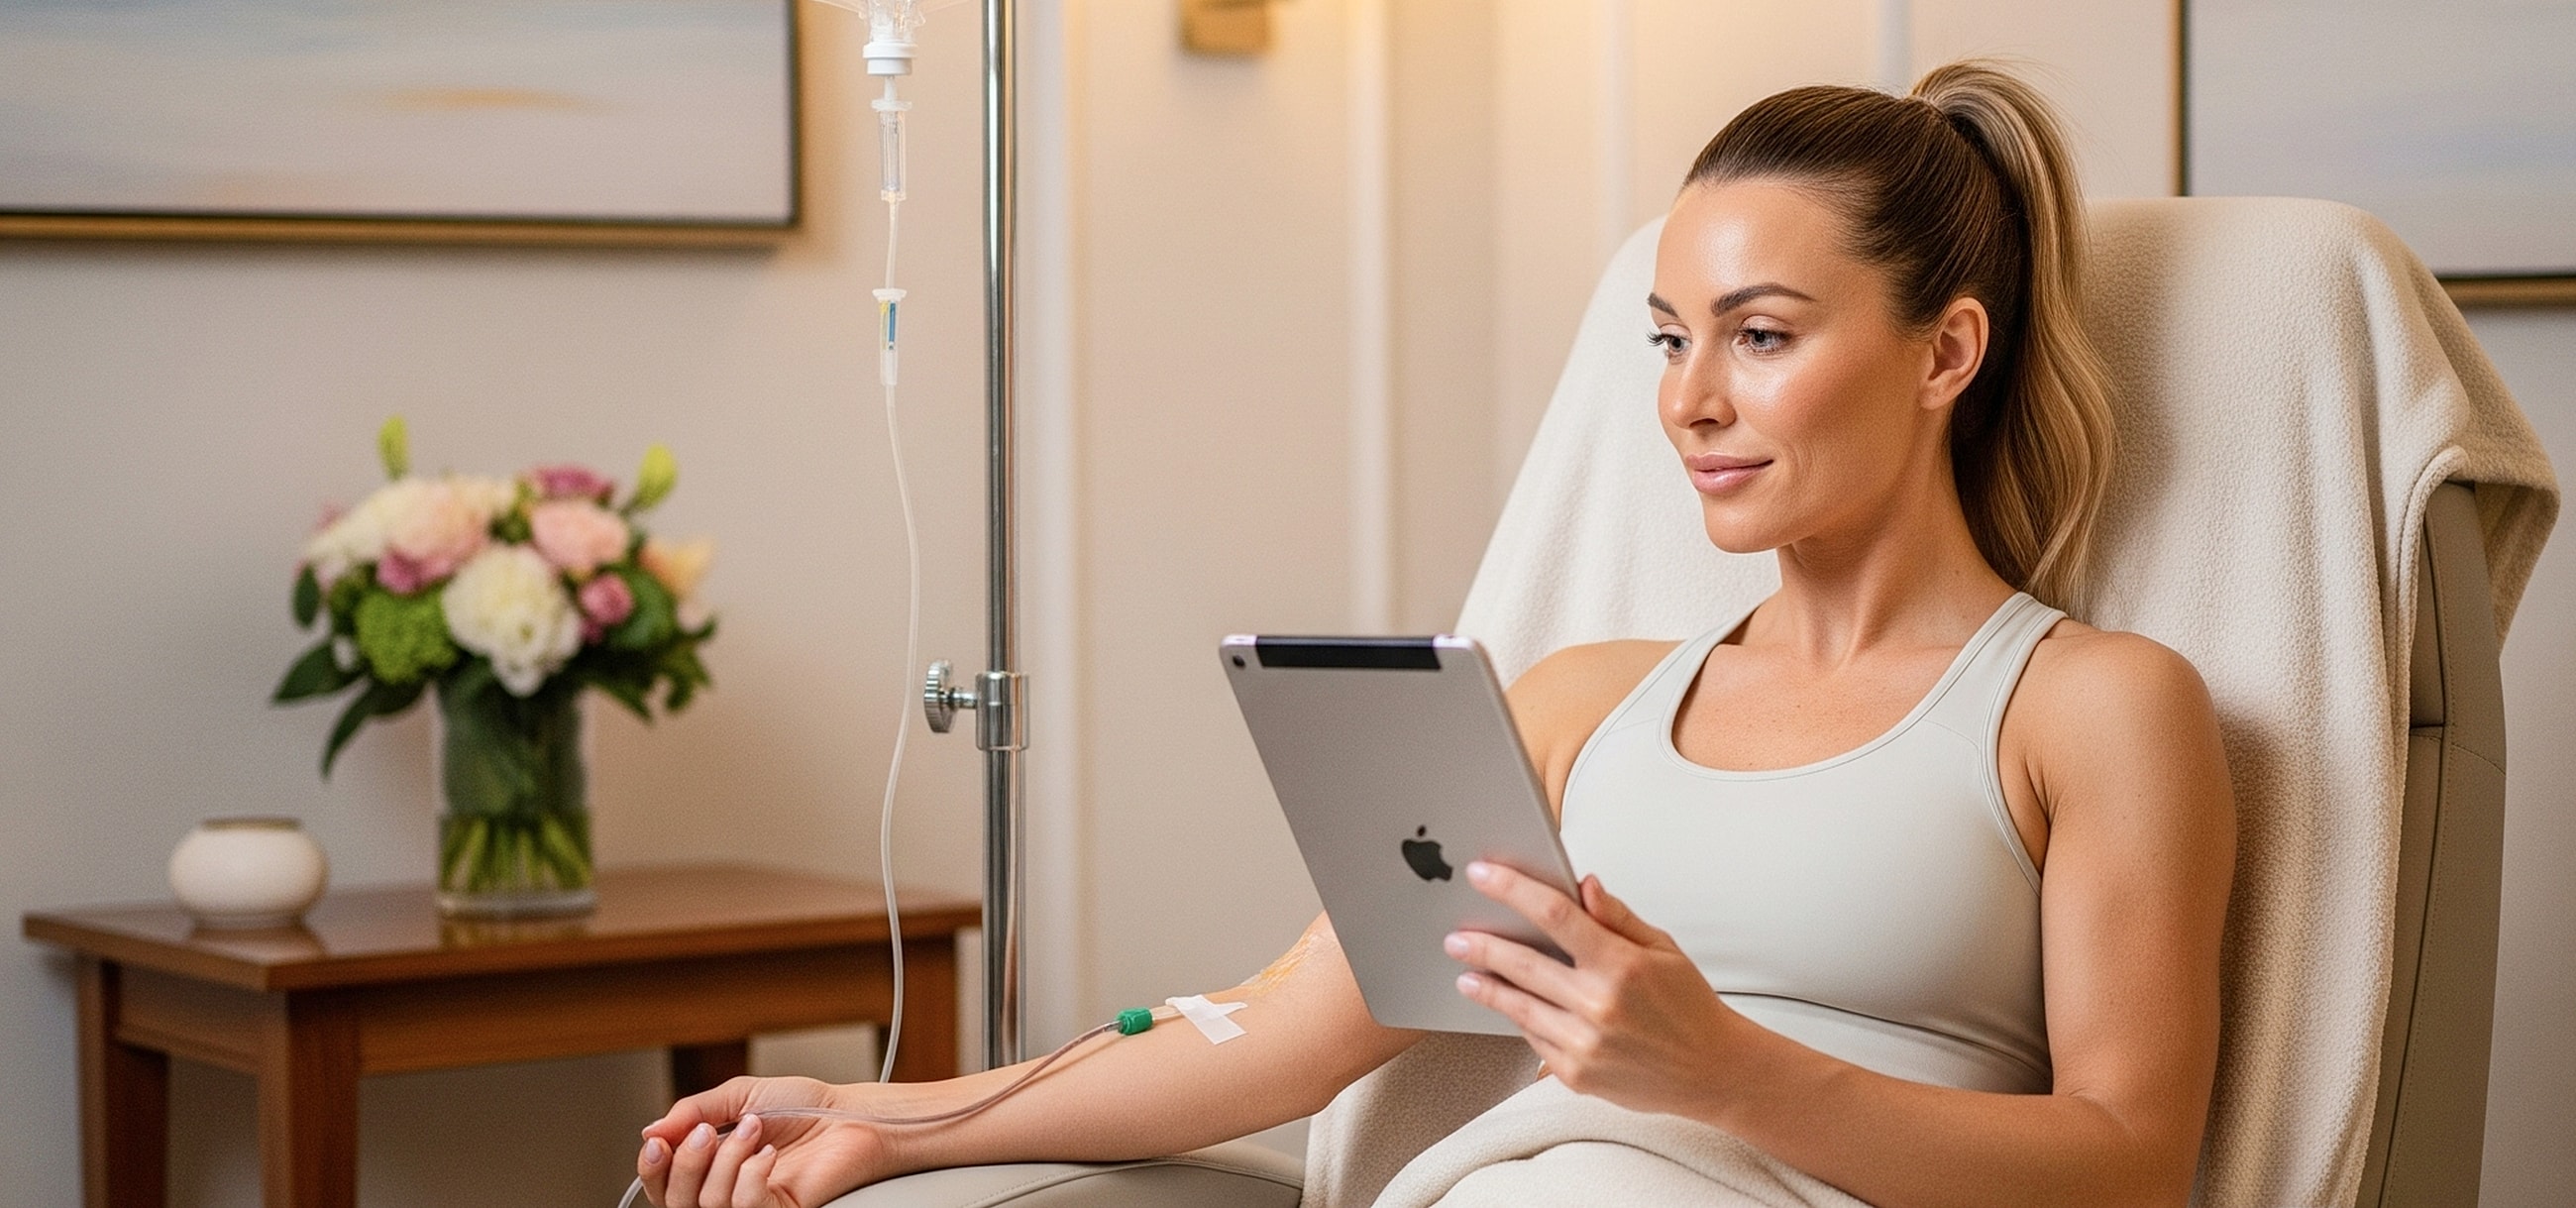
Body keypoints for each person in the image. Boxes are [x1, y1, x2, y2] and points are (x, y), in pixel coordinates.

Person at [635, 59, 2235, 1208]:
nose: (1689, 400)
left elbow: (2130, 1160)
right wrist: (871, 1114)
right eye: (1671, 338)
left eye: (1761, 337)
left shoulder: (2087, 709)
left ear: (1946, 348)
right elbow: (1278, 1037)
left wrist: (1724, 1068)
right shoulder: (1580, 704)